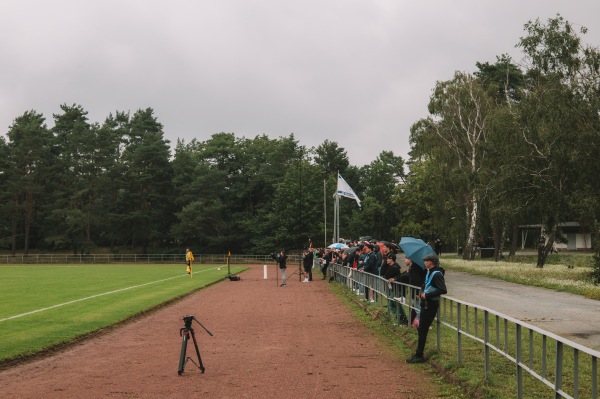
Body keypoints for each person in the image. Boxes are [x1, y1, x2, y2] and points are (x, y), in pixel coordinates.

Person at [406, 253, 447, 364]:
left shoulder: (437, 274)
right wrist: (422, 292)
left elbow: (443, 289)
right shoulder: (430, 272)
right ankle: (418, 353)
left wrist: (427, 295)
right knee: (421, 329)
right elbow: (426, 285)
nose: (424, 262)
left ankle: (419, 355)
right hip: (425, 303)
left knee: (422, 330)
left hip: (431, 305)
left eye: (426, 260)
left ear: (431, 262)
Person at [405, 256, 426, 325]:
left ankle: (423, 325)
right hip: (416, 290)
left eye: (406, 259)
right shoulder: (414, 267)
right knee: (414, 307)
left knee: (417, 308)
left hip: (417, 290)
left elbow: (416, 280)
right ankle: (410, 322)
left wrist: (417, 293)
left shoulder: (415, 267)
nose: (404, 261)